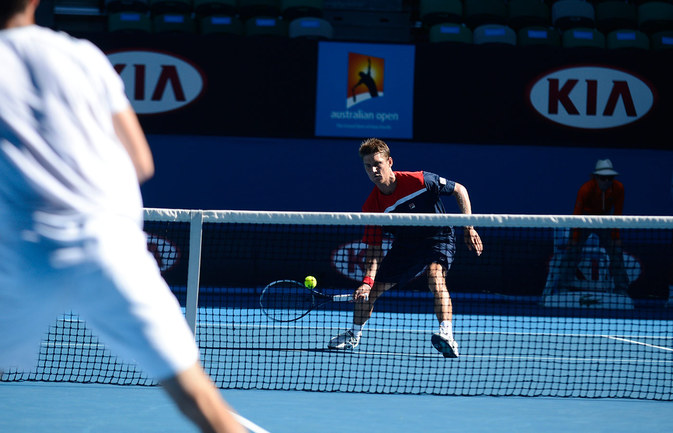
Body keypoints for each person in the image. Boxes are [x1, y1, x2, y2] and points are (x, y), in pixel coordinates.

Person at [0, 2, 245, 432]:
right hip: (111, 244)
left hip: (21, 251)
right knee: (196, 394)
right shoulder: (84, 56)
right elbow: (141, 162)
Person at [328, 138, 483, 358]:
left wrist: (469, 227)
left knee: (435, 276)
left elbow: (460, 190)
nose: (373, 170)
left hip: (438, 237)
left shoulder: (419, 180)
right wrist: (367, 282)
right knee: (372, 291)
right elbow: (373, 249)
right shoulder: (372, 206)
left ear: (389, 162)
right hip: (406, 245)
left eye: (378, 164)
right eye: (368, 166)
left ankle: (447, 335)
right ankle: (354, 333)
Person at [544, 159, 629, 295]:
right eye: (603, 178)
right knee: (572, 252)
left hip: (606, 220)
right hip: (585, 219)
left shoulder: (619, 188)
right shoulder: (585, 189)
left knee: (616, 252)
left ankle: (622, 289)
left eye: (610, 178)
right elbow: (577, 214)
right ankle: (562, 287)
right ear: (596, 177)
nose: (607, 181)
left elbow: (617, 214)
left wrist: (616, 237)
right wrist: (574, 238)